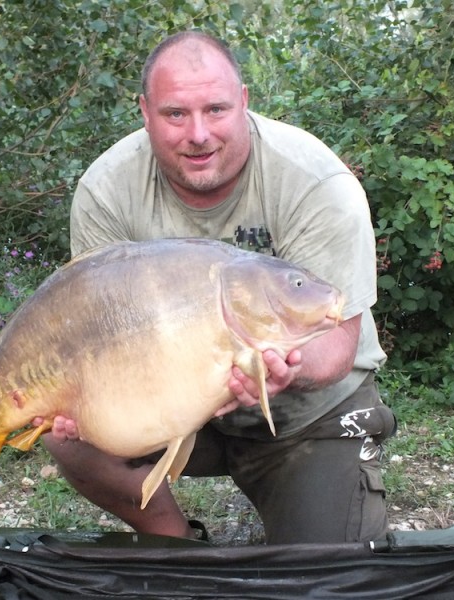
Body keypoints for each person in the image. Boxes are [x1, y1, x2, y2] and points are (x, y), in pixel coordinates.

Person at [40, 30, 395, 545]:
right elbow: (94, 331)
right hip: (170, 403)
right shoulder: (108, 190)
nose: (199, 134)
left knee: (328, 574)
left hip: (306, 414)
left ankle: (294, 496)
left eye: (216, 109)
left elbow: (337, 343)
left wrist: (283, 372)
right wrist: (78, 401)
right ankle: (178, 544)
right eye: (175, 114)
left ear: (244, 102)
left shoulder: (314, 183)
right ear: (145, 112)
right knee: (71, 439)